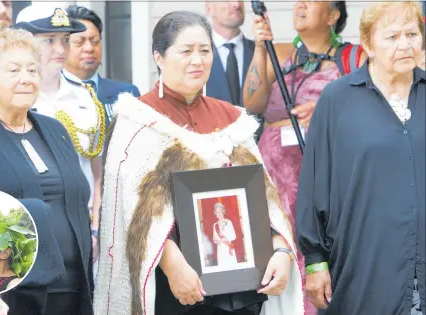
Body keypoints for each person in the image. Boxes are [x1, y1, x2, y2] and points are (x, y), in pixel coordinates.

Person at [94, 10, 303, 315]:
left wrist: (282, 250)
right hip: (175, 290)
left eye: (205, 51)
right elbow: (131, 212)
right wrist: (173, 264)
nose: (198, 60)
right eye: (186, 51)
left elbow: (265, 201)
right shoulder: (137, 122)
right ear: (159, 57)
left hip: (242, 288)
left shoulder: (232, 120)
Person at [296, 2, 425, 315]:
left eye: (412, 34)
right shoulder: (337, 99)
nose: (405, 44)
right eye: (392, 37)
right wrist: (315, 262)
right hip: (364, 269)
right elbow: (315, 184)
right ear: (367, 44)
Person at [242, 2, 367, 314]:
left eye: (311, 0)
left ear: (333, 14)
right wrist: (260, 48)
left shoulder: (354, 57)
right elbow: (252, 102)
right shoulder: (280, 51)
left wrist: (329, 110)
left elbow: (372, 112)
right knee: (275, 252)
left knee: (319, 258)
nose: (300, 4)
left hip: (323, 180)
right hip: (274, 180)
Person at [0, 28, 93, 315]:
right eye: (13, 70)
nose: (26, 78)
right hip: (9, 297)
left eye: (32, 69)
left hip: (74, 289)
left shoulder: (56, 130)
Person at [13, 4, 102, 259]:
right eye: (49, 40)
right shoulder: (8, 99)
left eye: (65, 40)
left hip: (81, 231)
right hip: (25, 232)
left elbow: (97, 174)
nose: (60, 49)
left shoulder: (85, 97)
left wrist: (95, 229)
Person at [65, 3, 141, 271]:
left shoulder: (126, 93)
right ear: (63, 45)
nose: (89, 47)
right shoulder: (52, 97)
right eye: (80, 41)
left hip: (121, 208)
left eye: (95, 41)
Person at [205, 0, 264, 140]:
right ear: (209, 8)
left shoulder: (262, 53)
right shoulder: (194, 58)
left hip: (258, 150)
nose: (236, 4)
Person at [212, 202, 238, 267]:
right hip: (220, 251)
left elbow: (233, 236)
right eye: (217, 212)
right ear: (215, 213)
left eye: (220, 211)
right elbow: (215, 239)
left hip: (228, 249)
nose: (218, 214)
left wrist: (223, 239)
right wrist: (215, 241)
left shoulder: (228, 222)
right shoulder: (215, 225)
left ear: (223, 212)